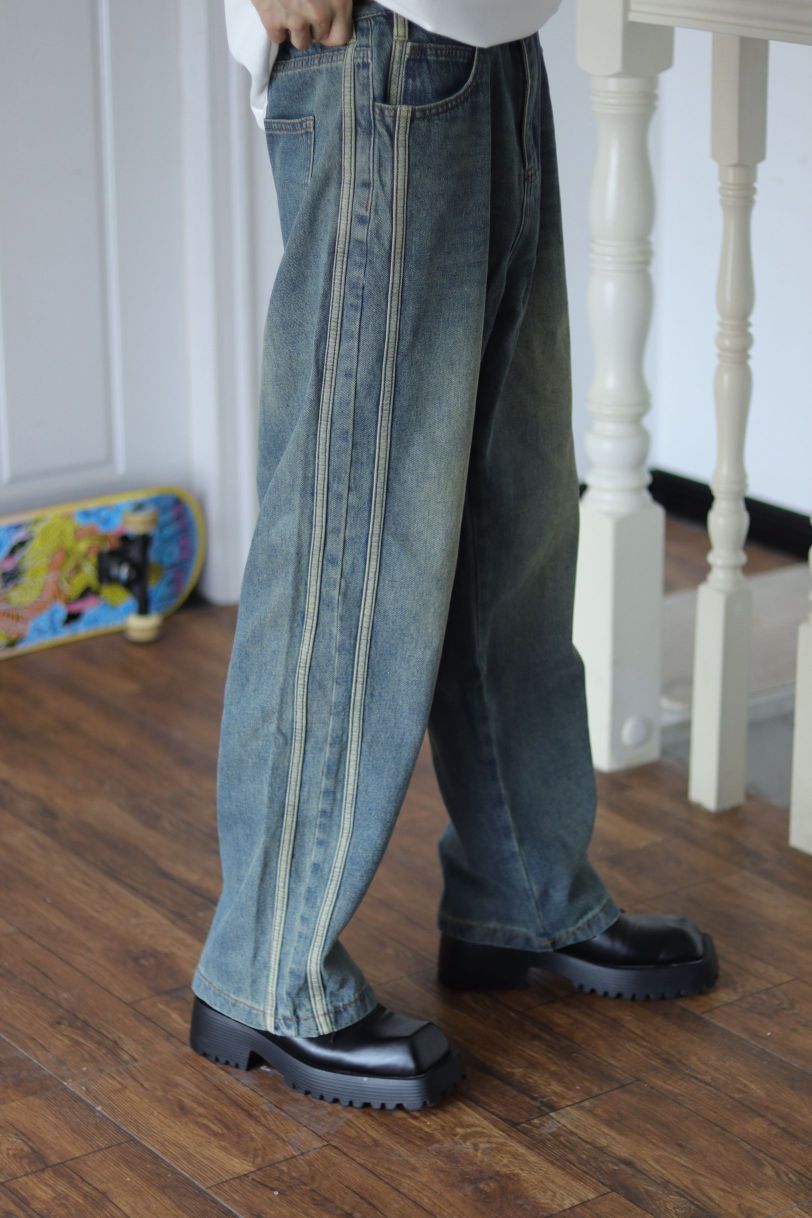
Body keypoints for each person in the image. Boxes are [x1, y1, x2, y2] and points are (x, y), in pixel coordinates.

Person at [188, 0, 719, 1111]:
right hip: (378, 43)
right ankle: (268, 967)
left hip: (495, 46)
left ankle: (522, 892)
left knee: (512, 522)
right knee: (350, 530)